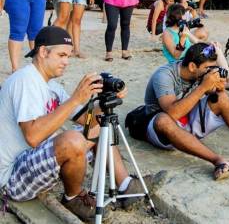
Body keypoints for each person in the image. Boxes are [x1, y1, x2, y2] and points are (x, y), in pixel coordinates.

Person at [0, 26, 164, 223]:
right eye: (61, 55)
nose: (66, 62)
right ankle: (73, 198)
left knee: (99, 126)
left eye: (68, 56)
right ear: (43, 52)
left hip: (33, 163)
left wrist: (102, 103)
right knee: (73, 140)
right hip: (12, 177)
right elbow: (33, 137)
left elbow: (85, 120)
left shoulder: (51, 86)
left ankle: (126, 185)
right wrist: (75, 98)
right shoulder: (26, 80)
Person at [133, 43, 229, 181]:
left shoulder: (201, 73)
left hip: (187, 120)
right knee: (163, 120)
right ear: (192, 66)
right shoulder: (164, 75)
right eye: (208, 68)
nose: (211, 71)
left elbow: (212, 95)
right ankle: (217, 160)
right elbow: (172, 113)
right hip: (162, 129)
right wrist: (203, 87)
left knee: (221, 98)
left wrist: (217, 87)